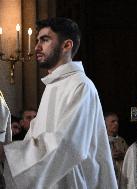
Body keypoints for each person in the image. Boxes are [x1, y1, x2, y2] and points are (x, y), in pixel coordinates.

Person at [0, 17, 117, 189]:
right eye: (38, 40)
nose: (36, 47)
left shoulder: (80, 85)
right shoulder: (54, 85)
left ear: (66, 45)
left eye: (45, 40)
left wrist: (9, 154)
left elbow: (67, 142)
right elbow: (35, 137)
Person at [105, 112, 128, 186]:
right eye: (113, 121)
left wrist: (123, 156)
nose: (116, 124)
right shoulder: (101, 141)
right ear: (105, 124)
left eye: (117, 121)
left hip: (122, 178)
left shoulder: (122, 141)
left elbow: (130, 158)